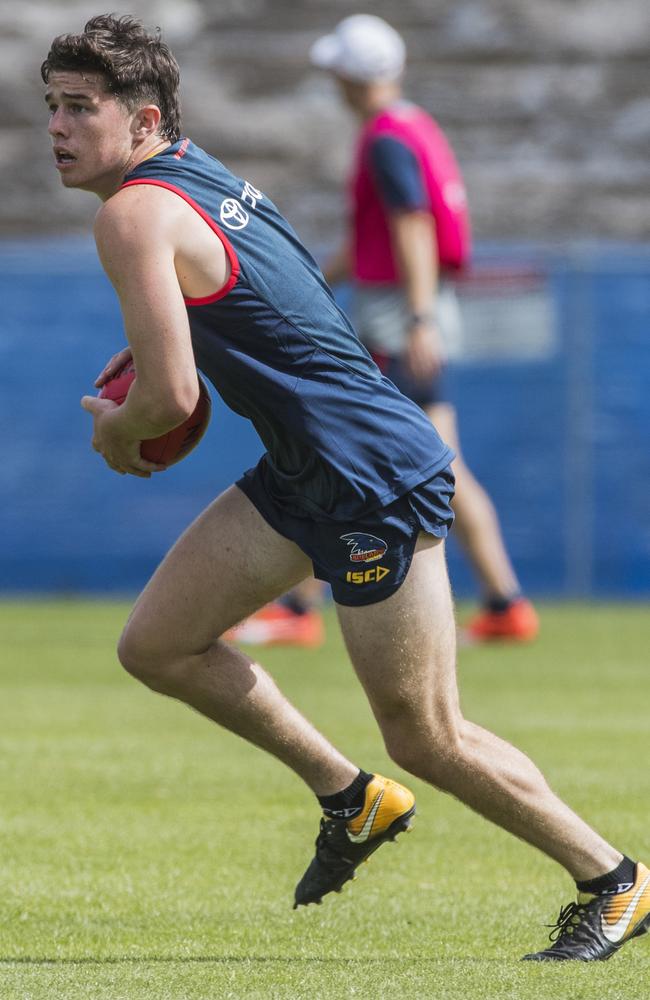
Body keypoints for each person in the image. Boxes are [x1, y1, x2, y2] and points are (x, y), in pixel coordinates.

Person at [43, 14, 649, 961]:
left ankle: (615, 881)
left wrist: (121, 432)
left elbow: (170, 399)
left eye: (81, 108)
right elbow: (275, 299)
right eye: (53, 107)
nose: (58, 128)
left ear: (146, 118)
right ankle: (349, 796)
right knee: (157, 644)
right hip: (305, 469)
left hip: (367, 474)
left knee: (428, 733)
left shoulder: (130, 214)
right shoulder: (202, 172)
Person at [309, 14, 539, 644]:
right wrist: (311, 281)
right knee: (434, 463)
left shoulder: (383, 139)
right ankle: (505, 603)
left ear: (348, 77)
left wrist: (418, 318)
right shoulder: (414, 126)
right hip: (411, 308)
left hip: (397, 316)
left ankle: (298, 608)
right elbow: (377, 236)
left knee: (343, 448)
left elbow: (413, 224)